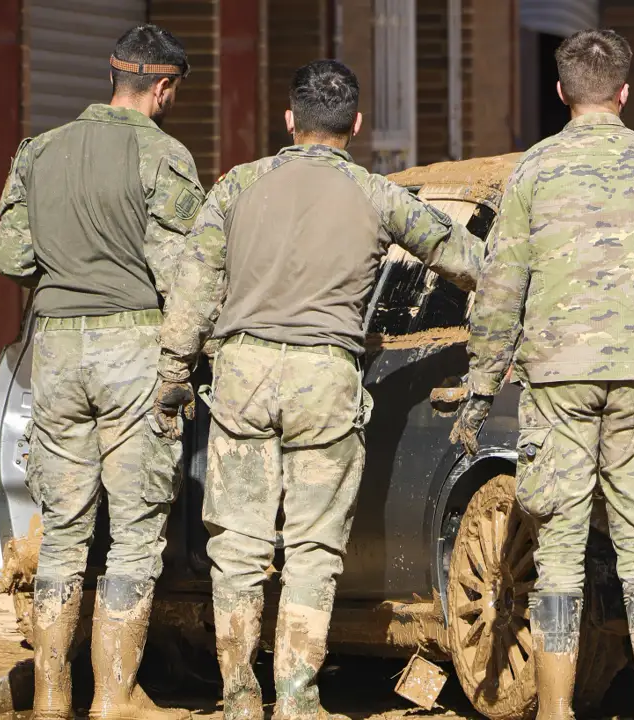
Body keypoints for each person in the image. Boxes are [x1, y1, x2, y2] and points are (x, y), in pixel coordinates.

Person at [155, 59, 479, 720]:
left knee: (238, 550)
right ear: (357, 125)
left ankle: (242, 698)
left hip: (242, 377)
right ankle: (299, 700)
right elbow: (468, 261)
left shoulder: (236, 187)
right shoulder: (378, 196)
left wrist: (172, 375)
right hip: (324, 381)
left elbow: (191, 291)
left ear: (287, 120)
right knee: (312, 549)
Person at [449, 28, 634, 720]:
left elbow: (500, 287)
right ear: (625, 92)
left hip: (557, 378)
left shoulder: (534, 170)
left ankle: (557, 710)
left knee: (560, 547)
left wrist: (481, 389)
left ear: (561, 91)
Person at [0, 24, 201, 720]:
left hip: (54, 351)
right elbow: (184, 277)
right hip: (133, 350)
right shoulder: (164, 157)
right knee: (136, 530)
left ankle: (52, 694)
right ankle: (114, 699)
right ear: (163, 86)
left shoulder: (38, 152)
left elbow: (11, 260)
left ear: (114, 76)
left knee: (65, 527)